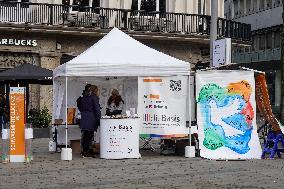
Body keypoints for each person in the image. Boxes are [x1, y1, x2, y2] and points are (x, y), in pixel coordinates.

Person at [79, 85, 101, 158]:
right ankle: (86, 151)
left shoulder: (84, 97)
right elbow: (97, 109)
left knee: (85, 135)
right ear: (95, 90)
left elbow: (81, 107)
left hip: (84, 117)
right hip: (91, 118)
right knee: (89, 135)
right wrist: (99, 119)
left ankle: (85, 150)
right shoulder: (94, 97)